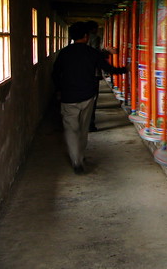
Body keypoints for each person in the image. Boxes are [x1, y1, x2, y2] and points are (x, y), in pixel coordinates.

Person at [52, 21, 127, 174]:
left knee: (71, 129)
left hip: (68, 97)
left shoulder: (64, 53)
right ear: (86, 37)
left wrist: (59, 90)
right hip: (87, 96)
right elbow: (109, 69)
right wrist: (127, 69)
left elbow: (55, 73)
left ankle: (76, 160)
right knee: (83, 128)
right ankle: (80, 155)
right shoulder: (92, 53)